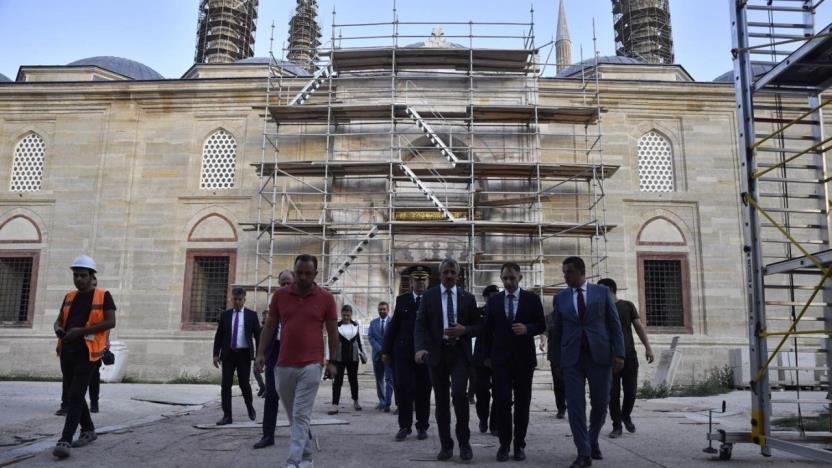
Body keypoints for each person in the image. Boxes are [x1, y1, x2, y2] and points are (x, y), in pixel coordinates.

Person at [255, 254, 339, 468]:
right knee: (294, 414)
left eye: (308, 273)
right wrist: (261, 353)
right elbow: (270, 326)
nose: (303, 277)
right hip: (283, 364)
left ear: (315, 274)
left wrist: (332, 361)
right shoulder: (280, 296)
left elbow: (332, 331)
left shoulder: (326, 298)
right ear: (294, 272)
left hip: (312, 364)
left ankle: (293, 461)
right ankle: (307, 457)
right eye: (299, 272)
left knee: (301, 413)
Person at [551, 257, 624, 468]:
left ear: (581, 272)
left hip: (599, 356)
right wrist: (556, 360)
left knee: (601, 403)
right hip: (571, 358)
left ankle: (592, 440)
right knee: (575, 405)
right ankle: (583, 452)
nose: (565, 276)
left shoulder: (601, 293)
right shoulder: (561, 298)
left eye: (569, 272)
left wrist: (619, 353)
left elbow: (614, 323)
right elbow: (557, 331)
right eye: (564, 272)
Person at [414, 258, 480, 462]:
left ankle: (465, 444)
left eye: (453, 272)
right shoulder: (429, 296)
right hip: (437, 354)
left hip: (460, 354)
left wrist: (465, 330)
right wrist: (420, 348)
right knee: (441, 402)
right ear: (440, 275)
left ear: (458, 275)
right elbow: (420, 324)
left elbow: (479, 326)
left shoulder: (468, 298)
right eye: (446, 272)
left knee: (460, 396)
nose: (449, 275)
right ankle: (446, 446)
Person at [52, 255, 116, 459]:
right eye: (76, 275)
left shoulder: (103, 295)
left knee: (75, 396)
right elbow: (59, 319)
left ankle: (65, 439)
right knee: (73, 393)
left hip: (88, 353)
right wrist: (58, 328)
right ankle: (88, 430)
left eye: (83, 275)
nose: (78, 279)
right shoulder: (70, 296)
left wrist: (80, 331)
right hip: (67, 350)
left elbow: (110, 322)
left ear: (92, 276)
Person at [481, 263, 545, 462]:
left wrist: (528, 328)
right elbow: (487, 330)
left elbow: (542, 324)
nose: (508, 282)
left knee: (523, 404)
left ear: (520, 277)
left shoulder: (532, 299)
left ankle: (519, 445)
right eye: (505, 279)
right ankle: (503, 444)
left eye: (512, 278)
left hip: (524, 360)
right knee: (501, 402)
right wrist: (486, 357)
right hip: (500, 361)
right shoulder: (495, 301)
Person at [596, 278, 655, 439]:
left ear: (610, 289)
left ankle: (626, 414)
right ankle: (616, 425)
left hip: (629, 354)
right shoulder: (599, 309)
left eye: (601, 290)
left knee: (631, 390)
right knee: (612, 393)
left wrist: (648, 348)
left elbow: (638, 327)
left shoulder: (627, 305)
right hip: (608, 357)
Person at [382, 265, 432, 442]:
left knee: (423, 391)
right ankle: (404, 426)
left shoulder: (432, 300)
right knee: (402, 390)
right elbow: (393, 326)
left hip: (424, 354)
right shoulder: (402, 300)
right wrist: (386, 351)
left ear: (428, 281)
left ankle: (422, 427)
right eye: (417, 280)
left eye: (423, 279)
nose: (420, 283)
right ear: (411, 282)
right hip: (403, 353)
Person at [253, 269, 294, 449]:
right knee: (271, 395)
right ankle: (268, 434)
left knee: (295, 395)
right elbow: (268, 328)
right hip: (274, 352)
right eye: (282, 283)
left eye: (288, 283)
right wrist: (260, 353)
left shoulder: (299, 303)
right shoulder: (275, 303)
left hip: (293, 353)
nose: (285, 286)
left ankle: (302, 428)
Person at [213, 288, 261, 425]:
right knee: (225, 385)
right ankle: (227, 415)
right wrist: (216, 354)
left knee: (244, 384)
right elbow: (219, 335)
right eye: (235, 299)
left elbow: (258, 337)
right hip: (228, 354)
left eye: (240, 299)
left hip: (244, 355)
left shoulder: (251, 315)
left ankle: (249, 406)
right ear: (231, 299)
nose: (238, 302)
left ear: (244, 300)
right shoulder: (225, 315)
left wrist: (259, 356)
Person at [328, 304, 366, 414]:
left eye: (348, 315)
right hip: (339, 357)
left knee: (353, 380)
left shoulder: (356, 325)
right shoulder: (336, 326)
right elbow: (331, 341)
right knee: (337, 381)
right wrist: (329, 358)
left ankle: (356, 401)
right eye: (344, 315)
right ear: (341, 314)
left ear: (351, 315)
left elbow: (360, 341)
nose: (346, 317)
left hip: (353, 356)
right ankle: (335, 404)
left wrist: (363, 353)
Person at [473, 284, 499, 436]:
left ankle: (494, 424)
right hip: (481, 359)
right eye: (491, 296)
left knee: (499, 392)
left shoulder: (503, 311)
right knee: (481, 391)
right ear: (486, 298)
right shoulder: (479, 313)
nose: (493, 298)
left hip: (498, 358)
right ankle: (483, 418)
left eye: (496, 295)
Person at [368, 301, 394, 412]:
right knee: (379, 379)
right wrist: (381, 350)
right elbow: (371, 338)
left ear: (388, 310)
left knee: (389, 379)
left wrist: (386, 351)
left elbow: (394, 338)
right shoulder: (373, 323)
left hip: (389, 356)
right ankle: (382, 402)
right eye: (380, 309)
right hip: (377, 356)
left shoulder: (393, 322)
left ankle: (387, 403)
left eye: (384, 309)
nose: (382, 311)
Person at [543, 315, 567, 419]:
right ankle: (561, 408)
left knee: (571, 383)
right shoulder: (549, 318)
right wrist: (543, 341)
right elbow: (544, 332)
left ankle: (573, 407)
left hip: (570, 354)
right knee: (558, 383)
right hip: (555, 355)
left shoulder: (570, 315)